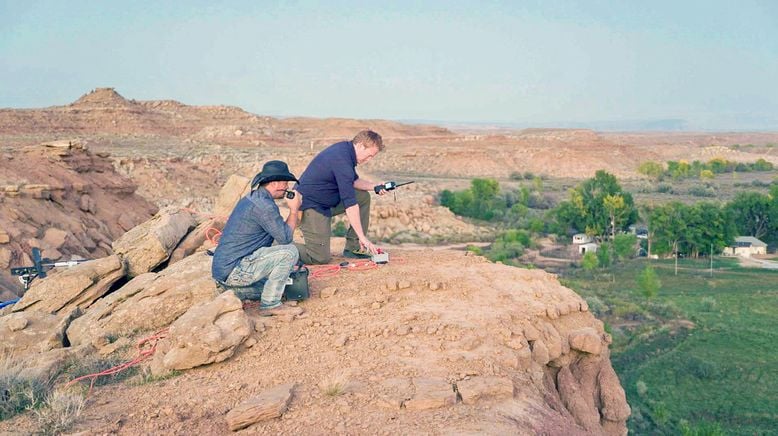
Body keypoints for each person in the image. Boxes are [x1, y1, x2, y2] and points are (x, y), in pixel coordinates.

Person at [211, 160, 303, 316]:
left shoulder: (255, 198)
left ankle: (236, 291)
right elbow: (285, 238)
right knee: (290, 252)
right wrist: (294, 210)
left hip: (224, 270)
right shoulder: (264, 206)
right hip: (235, 270)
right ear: (274, 184)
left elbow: (278, 234)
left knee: (285, 285)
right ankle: (271, 305)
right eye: (285, 182)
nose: (287, 187)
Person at [293, 130, 386, 264]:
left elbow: (353, 181)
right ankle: (277, 247)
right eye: (370, 155)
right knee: (319, 257)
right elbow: (350, 204)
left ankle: (353, 248)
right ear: (360, 145)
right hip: (312, 206)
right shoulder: (342, 160)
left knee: (363, 197)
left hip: (328, 201)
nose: (369, 160)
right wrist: (362, 237)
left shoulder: (346, 151)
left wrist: (375, 186)